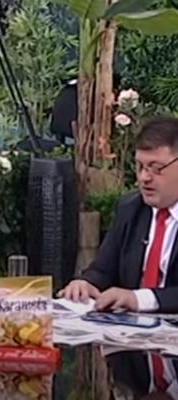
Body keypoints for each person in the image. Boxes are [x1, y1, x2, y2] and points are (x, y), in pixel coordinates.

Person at [60, 116, 178, 313]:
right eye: (139, 166)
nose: (144, 177)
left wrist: (139, 299)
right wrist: (86, 284)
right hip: (130, 328)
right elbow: (103, 270)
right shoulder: (130, 209)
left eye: (156, 169)